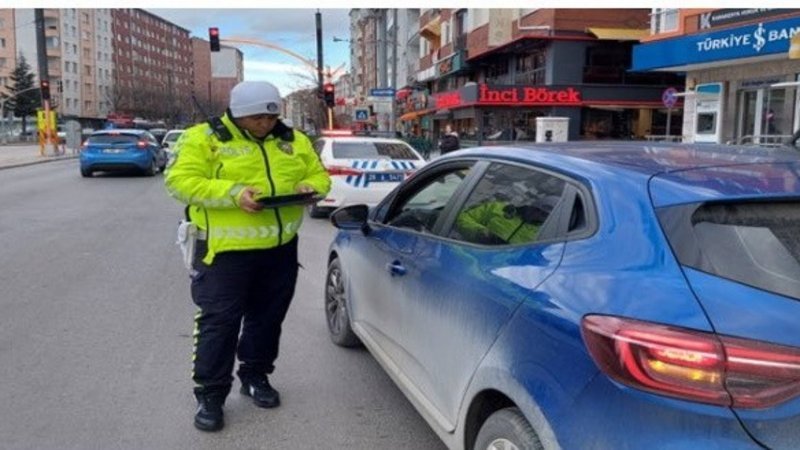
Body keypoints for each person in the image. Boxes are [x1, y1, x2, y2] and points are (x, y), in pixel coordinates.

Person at [164, 80, 331, 432]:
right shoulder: (203, 139)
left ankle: (255, 375)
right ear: (237, 114)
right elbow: (179, 181)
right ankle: (210, 394)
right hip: (223, 252)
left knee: (267, 319)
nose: (265, 124)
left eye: (271, 117)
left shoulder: (293, 140)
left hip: (279, 250)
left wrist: (311, 188)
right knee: (219, 323)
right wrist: (233, 194)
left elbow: (318, 174)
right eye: (257, 118)